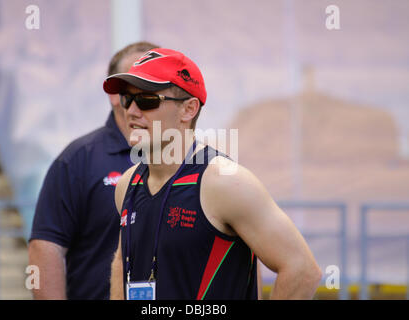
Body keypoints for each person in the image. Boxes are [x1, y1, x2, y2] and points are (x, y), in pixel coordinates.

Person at [107, 48, 322, 300]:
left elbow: (302, 270)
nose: (131, 111)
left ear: (188, 109)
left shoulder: (225, 181)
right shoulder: (128, 184)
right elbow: (123, 264)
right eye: (126, 99)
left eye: (146, 100)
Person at [28, 41, 160, 300]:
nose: (142, 93)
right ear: (114, 94)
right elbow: (45, 248)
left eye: (153, 83)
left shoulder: (188, 162)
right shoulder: (77, 160)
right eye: (133, 84)